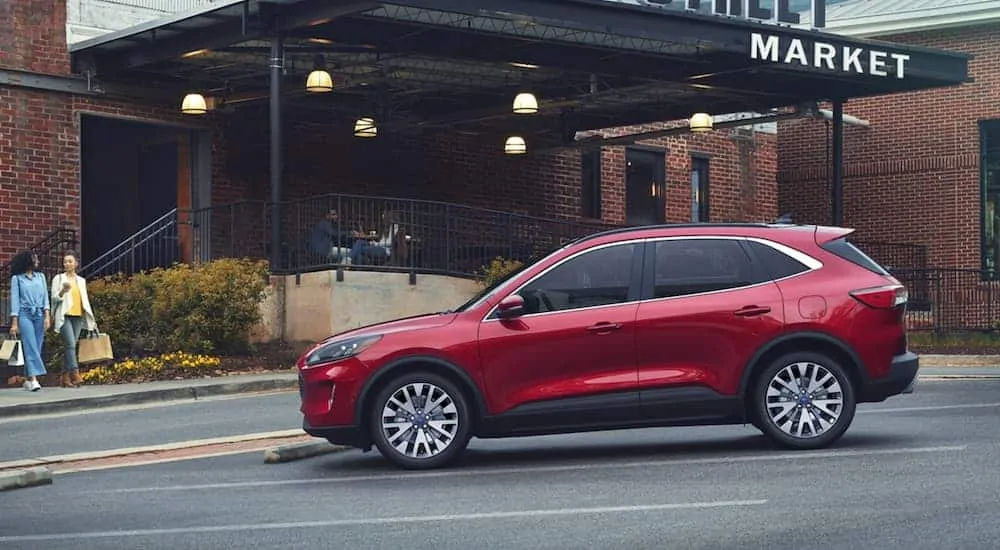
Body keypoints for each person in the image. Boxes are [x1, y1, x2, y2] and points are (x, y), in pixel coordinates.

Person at [50, 251, 97, 388]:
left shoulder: (81, 281)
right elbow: (54, 298)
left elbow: (85, 300)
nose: (67, 264)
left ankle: (64, 379)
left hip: (78, 316)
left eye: (70, 261)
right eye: (65, 262)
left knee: (70, 347)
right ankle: (75, 374)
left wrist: (91, 319)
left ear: (76, 263)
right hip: (64, 315)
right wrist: (63, 291)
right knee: (70, 344)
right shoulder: (58, 279)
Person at [8, 250, 51, 391]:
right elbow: (15, 301)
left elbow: (45, 297)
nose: (37, 261)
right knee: (30, 345)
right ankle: (34, 379)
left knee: (37, 347)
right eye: (34, 259)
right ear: (27, 261)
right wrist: (14, 322)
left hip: (39, 313)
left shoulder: (41, 277)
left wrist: (47, 315)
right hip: (25, 314)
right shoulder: (17, 279)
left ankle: (27, 379)